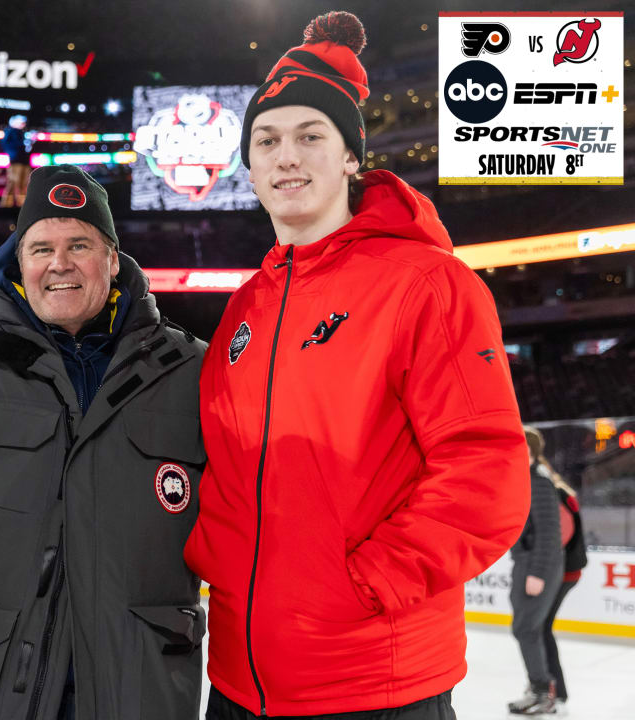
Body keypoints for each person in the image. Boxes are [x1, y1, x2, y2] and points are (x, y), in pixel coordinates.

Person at [185, 12, 529, 720]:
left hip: (373, 686)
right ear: (248, 167)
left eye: (311, 136)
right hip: (238, 687)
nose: (287, 157)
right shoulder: (247, 306)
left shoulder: (426, 283)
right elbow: (221, 468)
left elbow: (485, 473)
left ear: (350, 158)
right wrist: (210, 557)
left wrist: (364, 585)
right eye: (268, 140)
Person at [0, 164, 208, 720]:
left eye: (80, 244)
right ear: (20, 262)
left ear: (114, 259)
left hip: (139, 686)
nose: (59, 264)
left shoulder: (192, 369)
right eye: (41, 247)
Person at [508, 427, 586, 715]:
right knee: (528, 628)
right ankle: (541, 688)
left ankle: (543, 692)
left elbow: (550, 535)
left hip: (538, 566)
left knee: (526, 628)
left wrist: (538, 573)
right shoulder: (527, 479)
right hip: (528, 563)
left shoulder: (537, 483)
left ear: (527, 451)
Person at [0, 114, 32, 207]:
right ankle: (6, 205)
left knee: (23, 184)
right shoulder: (10, 132)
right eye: (21, 122)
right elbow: (7, 146)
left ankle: (22, 205)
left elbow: (26, 148)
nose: (23, 124)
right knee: (13, 183)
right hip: (16, 162)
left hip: (24, 162)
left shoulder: (22, 133)